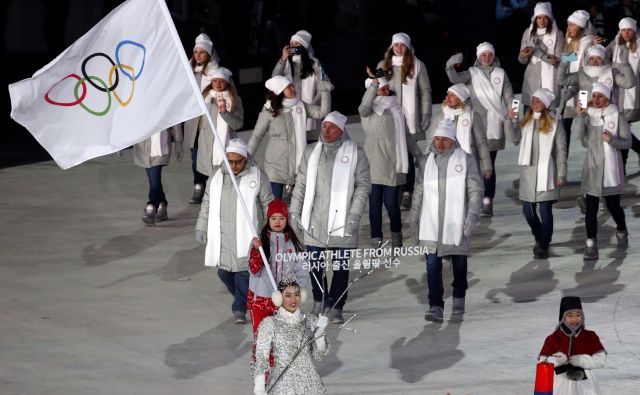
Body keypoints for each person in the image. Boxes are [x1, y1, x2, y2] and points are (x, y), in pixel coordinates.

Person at [289, 111, 371, 324]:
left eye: (330, 127)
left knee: (340, 267)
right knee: (315, 263)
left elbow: (363, 187)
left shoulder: (356, 153)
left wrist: (354, 215)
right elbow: (301, 185)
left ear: (341, 130)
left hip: (342, 219)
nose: (325, 131)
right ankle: (320, 299)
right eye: (324, 126)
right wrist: (294, 212)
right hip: (314, 217)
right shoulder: (311, 152)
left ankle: (337, 305)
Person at [410, 120, 483, 322]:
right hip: (430, 223)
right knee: (432, 266)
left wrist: (472, 216)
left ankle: (459, 295)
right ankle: (435, 306)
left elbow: (475, 190)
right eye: (437, 139)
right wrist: (414, 224)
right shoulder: (425, 162)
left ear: (452, 141)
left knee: (459, 264)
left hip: (456, 222)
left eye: (444, 139)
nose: (440, 143)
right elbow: (418, 194)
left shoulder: (465, 160)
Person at [195, 139, 273, 324]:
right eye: (230, 161)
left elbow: (268, 204)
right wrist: (201, 225)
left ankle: (239, 308)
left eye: (238, 161)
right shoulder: (216, 176)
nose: (234, 165)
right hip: (221, 234)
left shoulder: (257, 176)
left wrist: (269, 231)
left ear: (245, 159)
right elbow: (207, 203)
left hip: (247, 235)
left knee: (244, 273)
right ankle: (245, 300)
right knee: (224, 273)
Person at [445, 42, 517, 217]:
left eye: (489, 55)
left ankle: (487, 200)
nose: (486, 58)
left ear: (493, 56)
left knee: (488, 165)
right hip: (472, 129)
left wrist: (513, 116)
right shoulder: (471, 73)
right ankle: (471, 198)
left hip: (494, 128)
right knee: (472, 165)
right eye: (483, 55)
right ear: (478, 57)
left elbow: (510, 97)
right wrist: (450, 65)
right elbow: (454, 79)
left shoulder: (501, 74)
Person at [359, 73, 418, 248]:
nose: (385, 91)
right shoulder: (368, 111)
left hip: (394, 165)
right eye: (380, 89)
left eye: (386, 88)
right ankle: (376, 238)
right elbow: (363, 107)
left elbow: (407, 136)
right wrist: (374, 84)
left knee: (392, 204)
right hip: (374, 165)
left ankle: (396, 233)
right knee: (374, 205)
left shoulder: (396, 109)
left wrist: (419, 155)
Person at [248, 75, 332, 199]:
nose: (293, 88)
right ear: (280, 91)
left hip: (298, 168)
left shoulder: (300, 105)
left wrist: (325, 91)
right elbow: (257, 135)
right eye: (289, 87)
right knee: (275, 210)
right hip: (275, 168)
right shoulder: (268, 111)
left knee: (297, 208)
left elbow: (322, 113)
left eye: (292, 85)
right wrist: (246, 157)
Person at [573, 82, 631, 260]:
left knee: (613, 207)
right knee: (591, 208)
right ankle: (591, 243)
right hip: (592, 166)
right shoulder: (588, 115)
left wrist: (611, 140)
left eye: (600, 96)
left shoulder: (616, 115)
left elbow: (627, 143)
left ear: (607, 98)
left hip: (610, 169)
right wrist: (580, 116)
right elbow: (577, 135)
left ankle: (621, 229)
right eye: (594, 96)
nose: (596, 99)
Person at [377, 32, 433, 210]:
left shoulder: (417, 65)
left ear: (407, 47)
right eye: (396, 45)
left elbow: (425, 91)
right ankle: (396, 189)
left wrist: (425, 115)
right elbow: (377, 89)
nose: (399, 48)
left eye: (402, 45)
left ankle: (408, 192)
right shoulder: (384, 65)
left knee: (408, 156)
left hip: (410, 119)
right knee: (393, 156)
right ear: (391, 47)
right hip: (389, 119)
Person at [253, 276, 329, 395]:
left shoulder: (310, 321)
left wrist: (320, 333)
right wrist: (259, 386)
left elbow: (319, 354)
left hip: (310, 384)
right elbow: (261, 357)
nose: (293, 299)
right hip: (282, 385)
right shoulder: (269, 323)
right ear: (278, 298)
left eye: (297, 294)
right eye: (288, 295)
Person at [514, 88, 567, 259]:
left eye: (538, 100)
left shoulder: (555, 123)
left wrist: (561, 174)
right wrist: (511, 120)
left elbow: (561, 150)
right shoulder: (527, 121)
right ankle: (541, 236)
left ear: (546, 103)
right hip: (529, 174)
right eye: (533, 99)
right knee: (528, 212)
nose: (534, 102)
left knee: (545, 212)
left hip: (547, 174)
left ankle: (543, 245)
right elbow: (513, 138)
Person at [248, 199, 308, 336]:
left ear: (286, 220)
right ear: (268, 220)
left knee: (283, 341)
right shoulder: (259, 243)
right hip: (261, 300)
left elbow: (302, 271)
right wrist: (257, 251)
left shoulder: (294, 245)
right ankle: (263, 359)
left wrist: (297, 292)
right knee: (262, 340)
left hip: (285, 300)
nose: (277, 221)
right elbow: (253, 270)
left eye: (281, 218)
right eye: (273, 218)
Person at [538, 296, 606, 395]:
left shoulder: (590, 336)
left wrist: (583, 360)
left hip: (586, 385)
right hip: (561, 384)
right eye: (570, 316)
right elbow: (541, 363)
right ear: (563, 317)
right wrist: (556, 360)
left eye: (578, 315)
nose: (575, 319)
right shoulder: (552, 339)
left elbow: (601, 360)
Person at [272, 30, 330, 141]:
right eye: (291, 44)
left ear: (303, 46)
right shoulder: (287, 64)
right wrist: (283, 59)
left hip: (310, 111)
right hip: (290, 110)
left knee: (310, 142)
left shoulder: (315, 64)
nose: (293, 47)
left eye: (296, 44)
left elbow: (322, 87)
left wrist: (310, 107)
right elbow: (275, 78)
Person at [184, 33, 221, 204]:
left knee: (211, 155)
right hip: (194, 122)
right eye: (196, 51)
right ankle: (199, 185)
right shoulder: (189, 72)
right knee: (195, 155)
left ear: (208, 54)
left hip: (210, 120)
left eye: (202, 52)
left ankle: (212, 186)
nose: (198, 55)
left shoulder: (216, 73)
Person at [429, 84, 493, 178]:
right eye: (448, 94)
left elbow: (481, 143)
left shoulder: (473, 116)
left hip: (469, 162)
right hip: (445, 162)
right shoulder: (440, 117)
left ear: (461, 98)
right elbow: (431, 141)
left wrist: (487, 166)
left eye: (453, 95)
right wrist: (427, 163)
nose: (448, 97)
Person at [194, 67, 245, 178]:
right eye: (215, 80)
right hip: (208, 147)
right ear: (211, 82)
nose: (218, 83)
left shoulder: (234, 99)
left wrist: (224, 112)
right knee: (211, 182)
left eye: (221, 81)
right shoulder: (205, 99)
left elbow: (238, 124)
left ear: (227, 82)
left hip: (228, 146)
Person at [558, 10, 595, 152]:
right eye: (568, 25)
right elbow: (569, 60)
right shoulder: (571, 42)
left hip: (583, 92)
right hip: (570, 92)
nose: (569, 28)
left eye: (573, 25)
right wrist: (561, 60)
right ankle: (561, 171)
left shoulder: (589, 44)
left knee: (586, 132)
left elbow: (587, 71)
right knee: (564, 131)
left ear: (580, 27)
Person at [608, 17, 640, 172]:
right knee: (622, 130)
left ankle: (622, 166)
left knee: (623, 130)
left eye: (629, 30)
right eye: (623, 30)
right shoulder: (614, 44)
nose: (626, 33)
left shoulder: (639, 46)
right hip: (615, 94)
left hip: (632, 95)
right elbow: (600, 57)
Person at [134, 125, 183, 225]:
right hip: (144, 147)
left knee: (155, 178)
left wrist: (178, 143)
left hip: (160, 146)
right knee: (153, 180)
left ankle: (151, 208)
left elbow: (176, 120)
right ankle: (163, 204)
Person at [518, 2, 564, 110]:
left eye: (545, 18)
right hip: (531, 80)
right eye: (539, 18)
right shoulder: (527, 33)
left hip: (550, 80)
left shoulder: (558, 34)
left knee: (548, 119)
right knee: (529, 117)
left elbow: (558, 60)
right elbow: (522, 60)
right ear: (535, 19)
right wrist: (523, 56)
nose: (542, 21)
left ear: (550, 18)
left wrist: (537, 51)